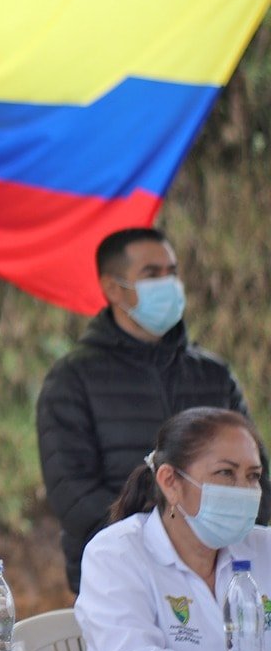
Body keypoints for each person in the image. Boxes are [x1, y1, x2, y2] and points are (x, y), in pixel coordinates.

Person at [36, 226, 259, 594]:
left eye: (172, 272)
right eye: (152, 274)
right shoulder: (72, 380)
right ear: (113, 288)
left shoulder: (213, 376)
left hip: (221, 574)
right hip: (120, 577)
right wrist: (162, 543)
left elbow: (256, 474)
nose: (167, 283)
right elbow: (71, 493)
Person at [76, 407, 271, 651]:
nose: (245, 490)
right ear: (170, 482)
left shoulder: (265, 548)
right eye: (226, 473)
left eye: (253, 476)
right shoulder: (114, 555)